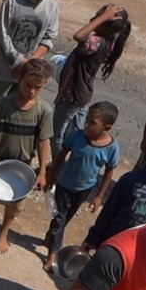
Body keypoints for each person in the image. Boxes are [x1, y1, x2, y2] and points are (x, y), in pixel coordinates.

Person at [0, 57, 54, 253]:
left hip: (22, 166)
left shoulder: (44, 111)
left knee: (15, 204)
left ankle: (3, 232)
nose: (32, 91)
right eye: (28, 85)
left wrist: (42, 172)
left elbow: (43, 141)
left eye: (38, 87)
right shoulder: (3, 104)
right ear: (19, 79)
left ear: (44, 85)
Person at [42, 101, 119, 272]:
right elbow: (61, 155)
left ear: (106, 127)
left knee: (66, 217)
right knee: (59, 218)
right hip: (64, 183)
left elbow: (109, 172)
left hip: (85, 189)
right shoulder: (77, 136)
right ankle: (53, 254)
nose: (86, 125)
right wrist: (51, 175)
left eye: (92, 123)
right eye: (87, 120)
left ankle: (51, 236)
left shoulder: (112, 147)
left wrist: (99, 196)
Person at [48, 4, 129, 157]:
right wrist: (103, 18)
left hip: (72, 95)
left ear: (104, 25)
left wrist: (103, 17)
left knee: (57, 134)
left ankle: (58, 167)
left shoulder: (97, 42)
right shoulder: (108, 41)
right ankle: (73, 161)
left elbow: (78, 36)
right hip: (82, 93)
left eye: (98, 16)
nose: (93, 19)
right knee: (75, 132)